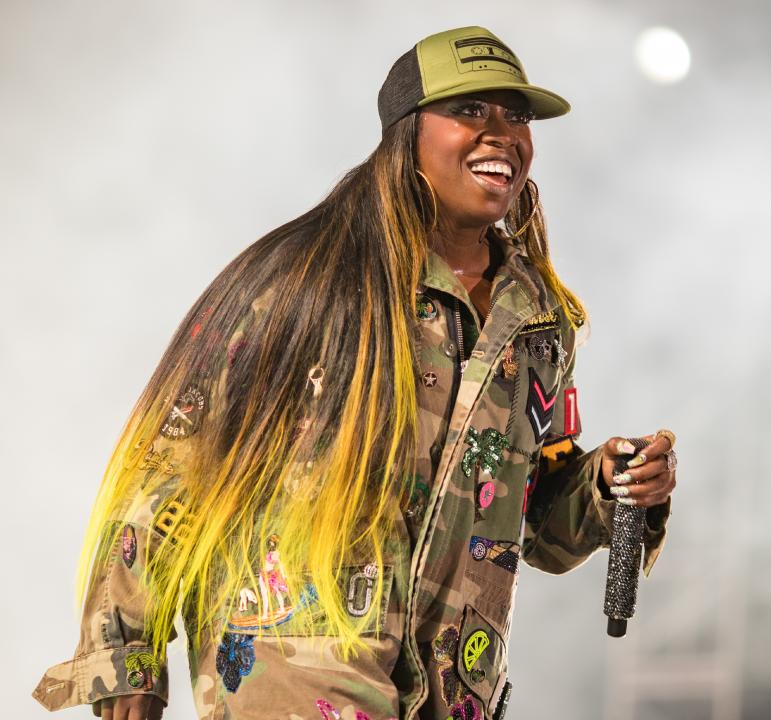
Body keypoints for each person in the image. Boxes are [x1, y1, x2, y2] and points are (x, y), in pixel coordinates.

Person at [32, 25, 678, 720]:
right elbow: (165, 472)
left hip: (450, 689)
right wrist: (128, 660)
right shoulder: (301, 278)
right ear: (407, 132)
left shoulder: (540, 321)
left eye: (515, 116)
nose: (501, 134)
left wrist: (610, 487)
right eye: (470, 111)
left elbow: (529, 526)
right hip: (296, 673)